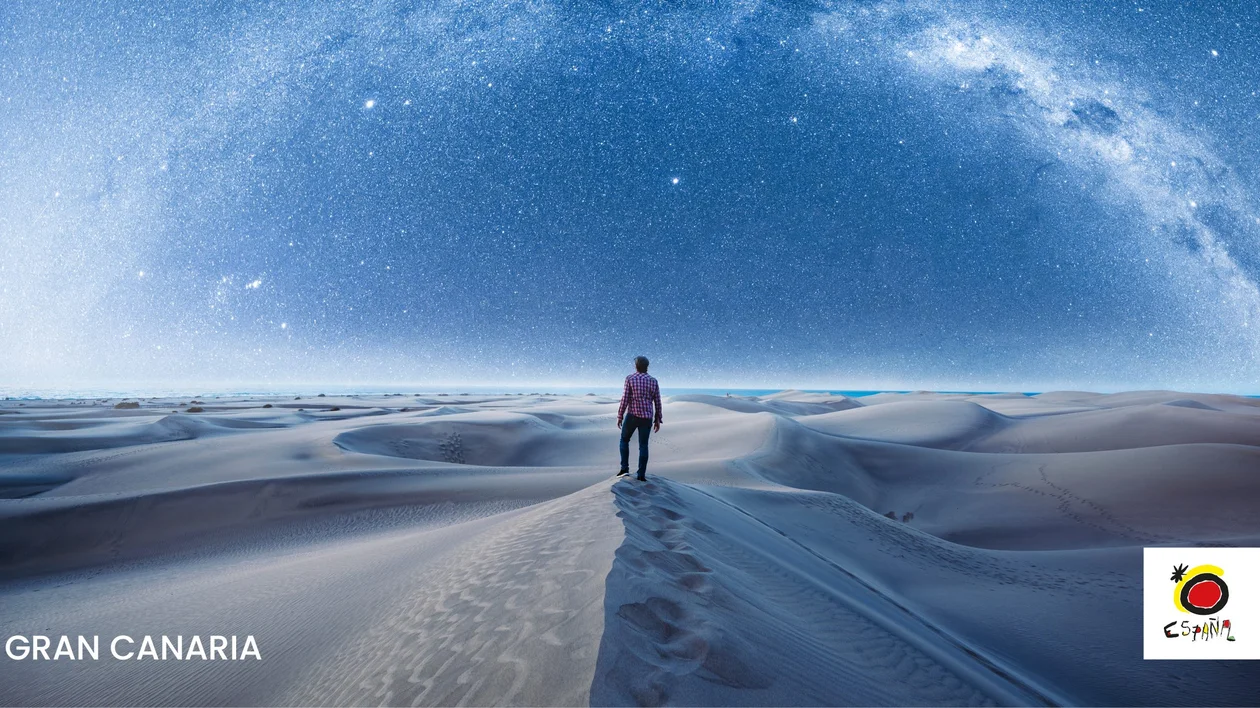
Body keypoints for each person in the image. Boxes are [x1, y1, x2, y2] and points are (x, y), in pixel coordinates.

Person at [616, 355, 662, 481]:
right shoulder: (653, 381)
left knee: (624, 440)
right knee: (643, 446)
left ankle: (624, 468)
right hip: (646, 417)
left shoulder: (630, 378)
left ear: (636, 366)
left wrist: (620, 415)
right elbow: (657, 401)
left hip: (632, 415)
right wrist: (658, 418)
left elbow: (625, 398)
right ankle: (641, 474)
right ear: (647, 367)